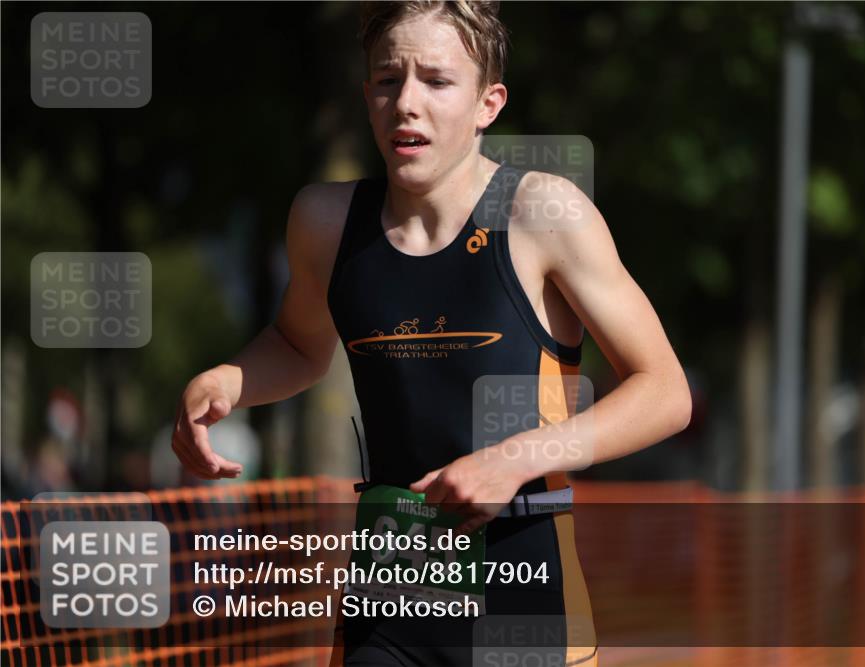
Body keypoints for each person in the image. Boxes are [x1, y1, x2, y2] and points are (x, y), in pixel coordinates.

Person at [172, 1, 691, 664]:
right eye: (388, 80)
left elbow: (666, 391)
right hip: (390, 588)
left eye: (437, 81)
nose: (406, 102)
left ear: (488, 103)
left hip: (522, 586)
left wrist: (515, 457)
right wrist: (224, 381)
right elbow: (301, 345)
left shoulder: (542, 212)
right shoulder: (326, 222)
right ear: (366, 97)